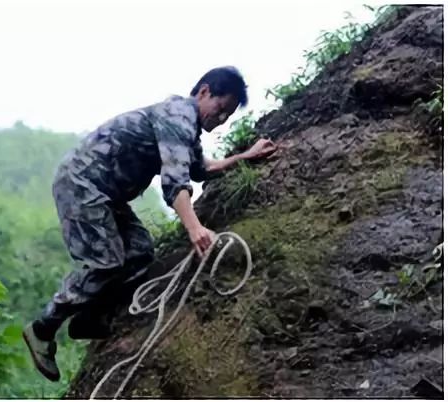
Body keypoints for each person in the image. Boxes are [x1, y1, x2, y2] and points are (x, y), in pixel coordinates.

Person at [23, 66, 278, 381]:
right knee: (106, 262)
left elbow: (199, 169)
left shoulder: (185, 126)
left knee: (140, 252)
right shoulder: (178, 117)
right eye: (220, 108)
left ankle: (88, 318)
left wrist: (244, 157)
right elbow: (175, 182)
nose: (221, 118)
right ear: (203, 92)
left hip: (105, 194)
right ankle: (42, 329)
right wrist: (195, 228)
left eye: (227, 115)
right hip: (82, 183)